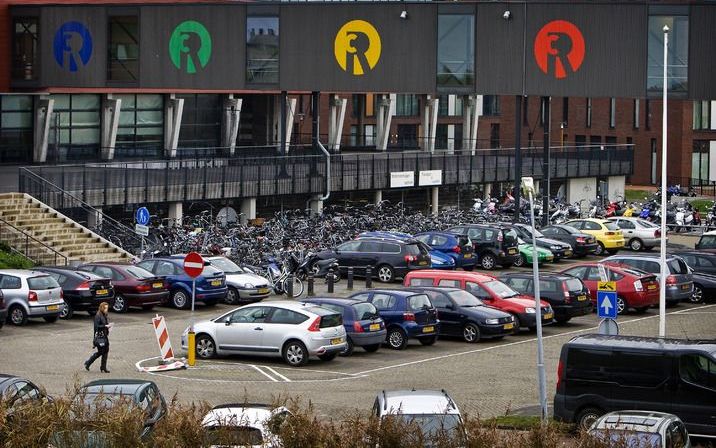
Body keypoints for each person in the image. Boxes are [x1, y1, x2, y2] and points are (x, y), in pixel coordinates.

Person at [84, 302, 112, 373]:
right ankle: (88, 362)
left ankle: (103, 367)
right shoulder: (98, 316)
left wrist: (108, 326)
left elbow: (105, 324)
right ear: (102, 308)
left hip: (104, 336)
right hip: (100, 337)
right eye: (105, 308)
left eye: (107, 308)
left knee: (106, 351)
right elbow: (96, 327)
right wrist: (105, 326)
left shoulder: (104, 315)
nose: (106, 309)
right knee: (101, 352)